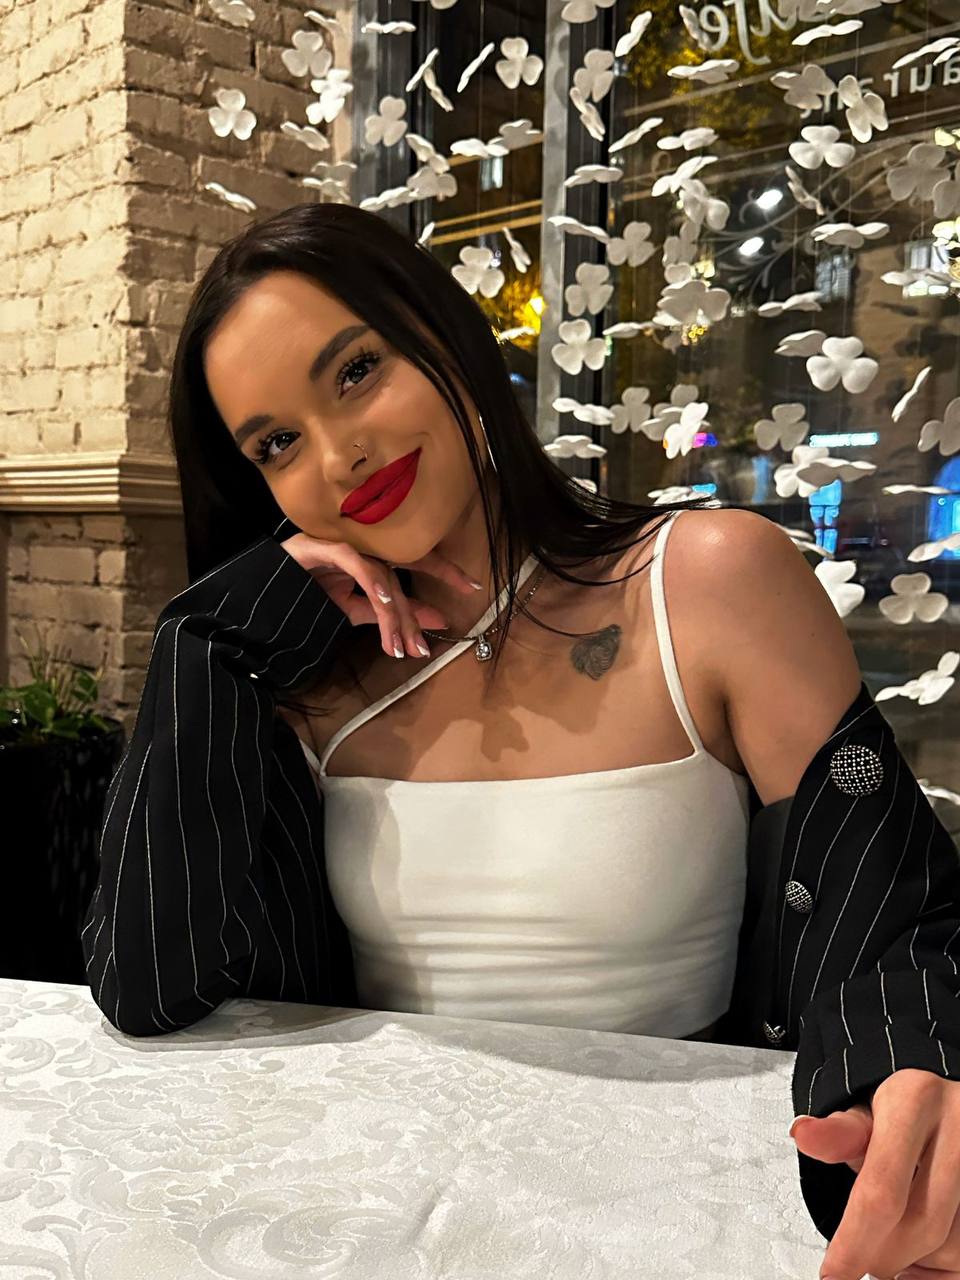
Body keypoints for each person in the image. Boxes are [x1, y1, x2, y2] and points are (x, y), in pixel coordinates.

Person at [81, 203, 960, 1253]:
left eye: (356, 371)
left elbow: (891, 907)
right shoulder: (302, 681)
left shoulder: (706, 582)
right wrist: (209, 644)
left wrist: (909, 1061)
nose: (341, 453)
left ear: (446, 340)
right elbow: (151, 985)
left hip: (661, 1207)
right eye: (278, 443)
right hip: (376, 1210)